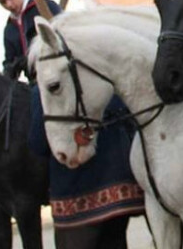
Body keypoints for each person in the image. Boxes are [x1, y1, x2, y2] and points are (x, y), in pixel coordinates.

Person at [29, 89, 145, 249]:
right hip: (117, 194)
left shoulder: (45, 91)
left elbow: (38, 143)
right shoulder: (102, 77)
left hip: (74, 200)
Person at [0, 0, 62, 82]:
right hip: (34, 81)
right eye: (3, 2)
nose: (9, 4)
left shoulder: (45, 7)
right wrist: (11, 68)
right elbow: (9, 62)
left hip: (58, 74)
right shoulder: (9, 30)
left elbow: (65, 36)